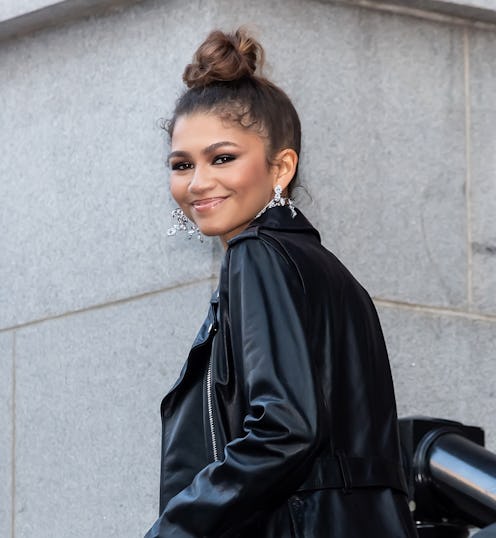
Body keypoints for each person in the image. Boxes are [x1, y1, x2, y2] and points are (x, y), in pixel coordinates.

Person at [145, 28, 418, 538]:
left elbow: (283, 428)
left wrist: (176, 528)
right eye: (182, 165)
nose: (198, 181)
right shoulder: (330, 273)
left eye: (222, 157)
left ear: (281, 166)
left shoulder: (257, 255)